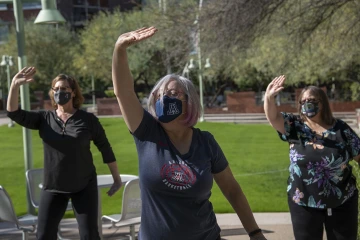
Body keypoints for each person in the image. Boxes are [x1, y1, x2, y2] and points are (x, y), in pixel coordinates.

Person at [111, 26, 267, 240]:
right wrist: (120, 49)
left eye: (173, 93)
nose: (165, 98)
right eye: (160, 94)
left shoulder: (205, 142)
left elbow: (232, 189)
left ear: (188, 102)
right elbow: (123, 91)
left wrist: (255, 233)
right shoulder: (146, 132)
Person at [7, 68, 122, 240]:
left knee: (89, 235)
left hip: (83, 186)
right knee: (44, 235)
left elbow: (105, 147)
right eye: (57, 89)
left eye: (65, 89)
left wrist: (117, 178)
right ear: (52, 93)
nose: (60, 92)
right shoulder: (44, 119)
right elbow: (14, 113)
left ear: (73, 92)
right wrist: (14, 85)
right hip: (54, 187)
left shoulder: (88, 120)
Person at [264, 75, 360, 240]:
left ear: (322, 103)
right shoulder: (294, 126)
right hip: (303, 202)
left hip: (342, 201)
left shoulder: (341, 129)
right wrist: (269, 98)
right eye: (303, 101)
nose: (308, 104)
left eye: (313, 100)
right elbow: (273, 117)